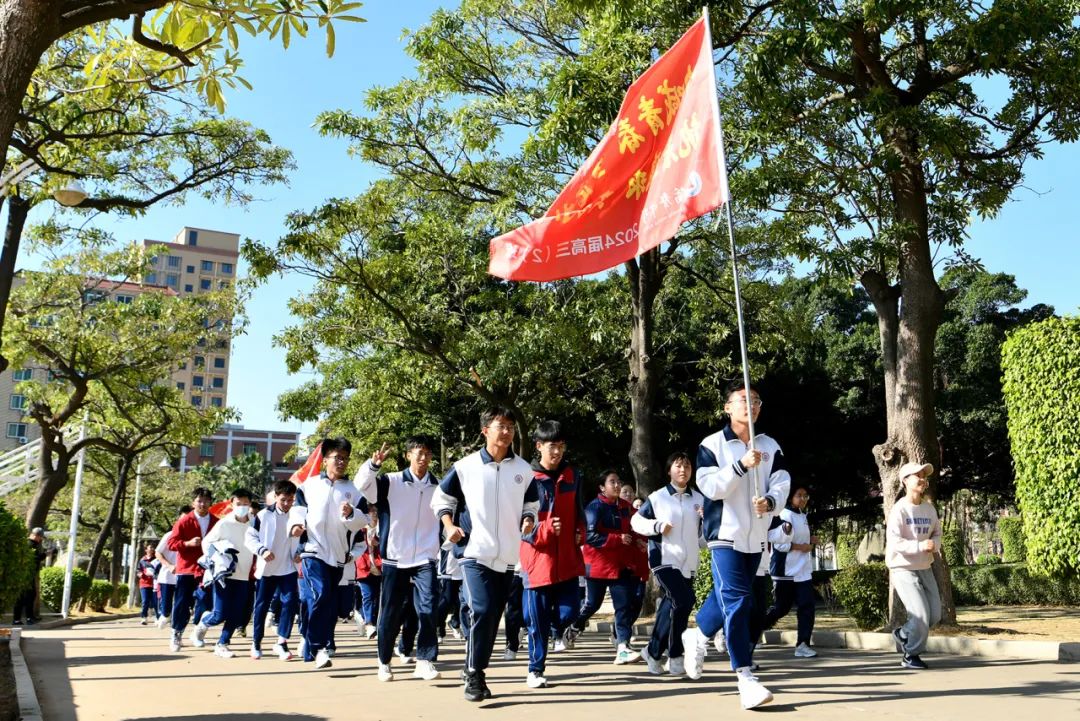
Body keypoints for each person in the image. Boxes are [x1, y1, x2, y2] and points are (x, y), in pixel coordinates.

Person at [683, 380, 790, 710]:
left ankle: (697, 635)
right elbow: (710, 487)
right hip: (724, 536)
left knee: (725, 595)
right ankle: (745, 677)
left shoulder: (770, 445)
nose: (751, 405)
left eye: (756, 400)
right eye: (744, 400)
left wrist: (770, 503)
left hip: (755, 535)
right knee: (739, 600)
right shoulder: (712, 444)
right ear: (727, 407)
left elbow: (782, 482)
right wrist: (741, 465)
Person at [431, 406, 539, 702]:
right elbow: (442, 497)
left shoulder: (523, 470)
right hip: (472, 550)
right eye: (500, 425)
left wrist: (529, 520)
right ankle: (474, 675)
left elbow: (532, 504)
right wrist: (449, 524)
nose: (506, 431)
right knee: (481, 608)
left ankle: (476, 669)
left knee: (493, 614)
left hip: (507, 554)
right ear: (485, 430)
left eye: (510, 426)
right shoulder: (465, 466)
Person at [357, 436, 442, 682]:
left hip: (425, 557)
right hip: (395, 557)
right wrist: (373, 465)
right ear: (408, 455)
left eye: (427, 453)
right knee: (391, 614)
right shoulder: (389, 482)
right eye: (418, 452)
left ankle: (425, 660)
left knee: (428, 608)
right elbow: (362, 485)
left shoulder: (438, 486)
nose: (423, 458)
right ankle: (384, 661)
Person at [288, 437, 371, 669]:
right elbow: (298, 509)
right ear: (325, 460)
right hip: (312, 551)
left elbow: (363, 521)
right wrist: (295, 525)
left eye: (345, 458)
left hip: (338, 556)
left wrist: (351, 513)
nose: (342, 462)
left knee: (331, 604)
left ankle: (309, 642)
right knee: (321, 594)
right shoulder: (309, 485)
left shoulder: (354, 491)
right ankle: (320, 647)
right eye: (337, 457)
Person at [517, 420, 586, 688]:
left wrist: (581, 530)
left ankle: (555, 630)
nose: (556, 452)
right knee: (537, 622)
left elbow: (580, 511)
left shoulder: (573, 476)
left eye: (560, 446)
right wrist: (544, 529)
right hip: (538, 563)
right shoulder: (527, 478)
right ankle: (535, 669)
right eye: (550, 446)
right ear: (538, 447)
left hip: (567, 560)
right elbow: (520, 525)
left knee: (569, 612)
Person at [632, 452, 704, 676]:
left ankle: (653, 652)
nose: (683, 470)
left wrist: (708, 520)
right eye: (678, 466)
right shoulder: (658, 497)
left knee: (671, 606)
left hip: (688, 561)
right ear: (669, 470)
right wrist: (657, 526)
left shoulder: (699, 499)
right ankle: (675, 654)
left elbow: (703, 537)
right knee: (684, 600)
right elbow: (636, 521)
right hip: (663, 558)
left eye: (687, 466)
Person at [572, 469, 642, 666]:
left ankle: (623, 647)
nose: (617, 485)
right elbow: (589, 536)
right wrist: (617, 538)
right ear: (602, 487)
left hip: (621, 565)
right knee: (593, 603)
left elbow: (634, 527)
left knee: (623, 606)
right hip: (599, 566)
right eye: (612, 482)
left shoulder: (626, 507)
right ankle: (576, 626)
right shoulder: (594, 508)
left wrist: (638, 540)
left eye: (618, 481)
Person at [887, 461, 943, 670]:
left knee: (935, 614)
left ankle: (903, 633)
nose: (922, 479)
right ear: (905, 481)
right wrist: (920, 545)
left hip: (924, 567)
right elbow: (894, 542)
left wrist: (933, 545)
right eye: (916, 475)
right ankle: (910, 655)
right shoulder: (899, 510)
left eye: (923, 475)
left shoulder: (929, 509)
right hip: (902, 567)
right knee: (920, 614)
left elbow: (937, 534)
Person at [191, 488, 256, 658]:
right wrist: (219, 557)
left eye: (246, 504)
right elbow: (207, 544)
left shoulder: (255, 522)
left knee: (237, 612)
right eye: (238, 503)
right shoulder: (224, 523)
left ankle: (223, 643)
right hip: (224, 574)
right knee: (220, 613)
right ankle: (203, 624)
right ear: (231, 503)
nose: (242, 507)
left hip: (243, 574)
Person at [762, 484, 819, 658]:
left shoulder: (802, 515)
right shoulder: (784, 515)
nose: (803, 499)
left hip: (802, 570)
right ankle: (753, 630)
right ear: (790, 497)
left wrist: (810, 539)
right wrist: (802, 547)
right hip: (784, 570)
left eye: (805, 496)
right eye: (799, 495)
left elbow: (798, 536)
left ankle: (803, 644)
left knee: (807, 606)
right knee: (781, 608)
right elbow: (780, 543)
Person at [246, 480, 301, 661]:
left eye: (291, 500)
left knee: (290, 603)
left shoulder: (298, 515)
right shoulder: (262, 515)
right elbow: (250, 538)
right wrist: (262, 550)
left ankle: (282, 642)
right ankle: (256, 642)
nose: (287, 504)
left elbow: (307, 538)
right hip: (267, 570)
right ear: (275, 497)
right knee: (261, 605)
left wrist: (300, 552)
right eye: (283, 499)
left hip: (288, 568)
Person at [167, 488, 217, 653]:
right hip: (186, 569)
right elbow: (172, 543)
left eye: (206, 500)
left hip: (207, 569)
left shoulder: (216, 522)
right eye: (199, 500)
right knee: (182, 603)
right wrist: (187, 543)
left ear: (210, 502)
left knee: (206, 601)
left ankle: (198, 631)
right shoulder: (184, 521)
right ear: (193, 502)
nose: (202, 504)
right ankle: (176, 633)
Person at [154, 506, 189, 630]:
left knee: (183, 608)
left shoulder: (194, 537)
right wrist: (169, 566)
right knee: (166, 611)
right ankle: (165, 616)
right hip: (168, 577)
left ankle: (177, 632)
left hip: (185, 576)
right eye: (183, 519)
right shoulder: (169, 535)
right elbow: (158, 553)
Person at [12, 527, 47, 625]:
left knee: (30, 596)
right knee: (23, 597)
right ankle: (21, 619)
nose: (41, 540)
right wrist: (45, 555)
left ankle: (28, 617)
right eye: (40, 537)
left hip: (27, 575)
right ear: (36, 536)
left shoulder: (32, 544)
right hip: (25, 575)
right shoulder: (29, 544)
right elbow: (33, 559)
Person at [355, 522, 382, 639]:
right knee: (368, 595)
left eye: (376, 512)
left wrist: (379, 543)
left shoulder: (382, 528)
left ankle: (367, 619)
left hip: (379, 568)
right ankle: (369, 624)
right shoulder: (360, 529)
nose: (374, 515)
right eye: (371, 512)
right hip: (364, 568)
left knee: (378, 598)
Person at [136, 543, 158, 625]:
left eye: (152, 548)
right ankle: (144, 617)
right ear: (146, 550)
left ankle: (157, 617)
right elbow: (138, 570)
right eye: (150, 548)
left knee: (155, 602)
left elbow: (159, 569)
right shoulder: (142, 560)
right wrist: (140, 574)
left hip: (154, 583)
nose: (151, 549)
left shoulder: (156, 559)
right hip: (144, 583)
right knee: (145, 601)